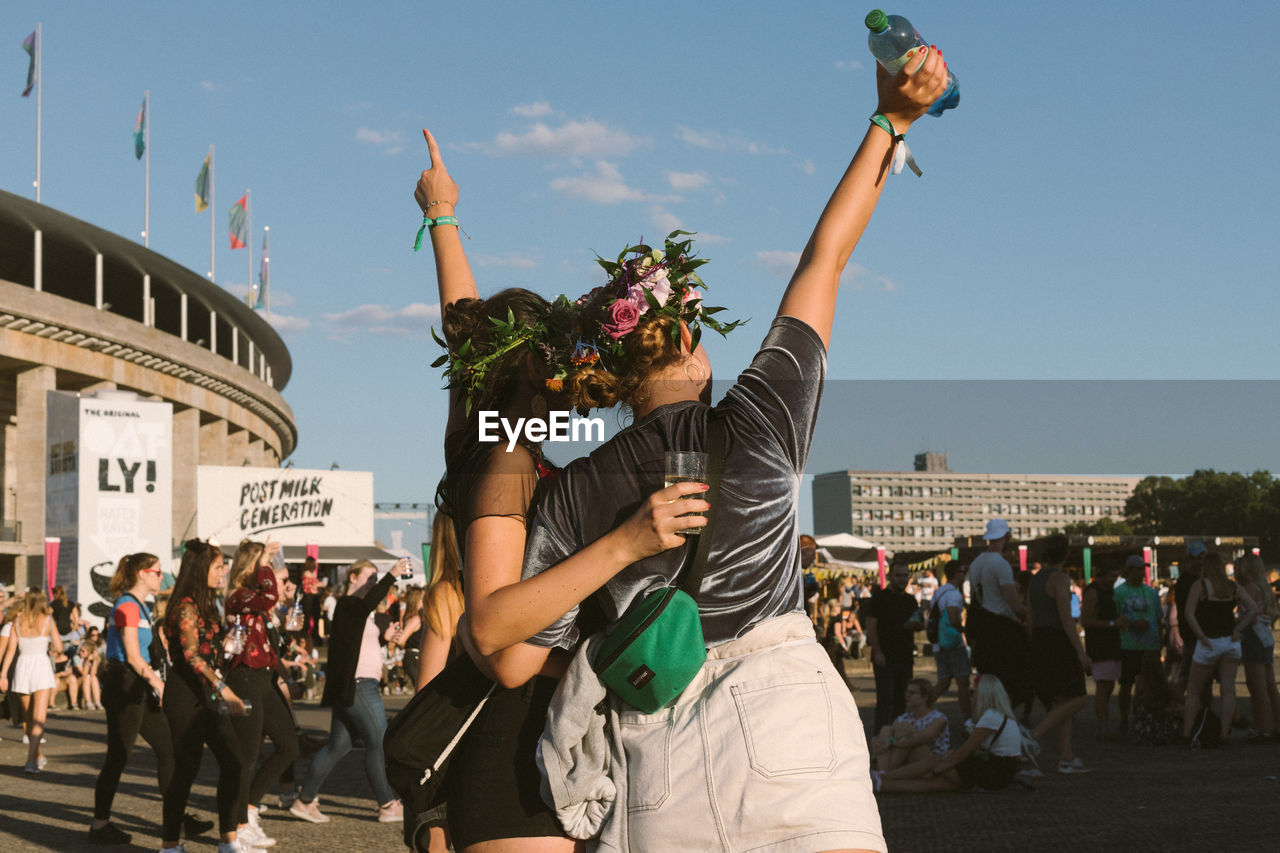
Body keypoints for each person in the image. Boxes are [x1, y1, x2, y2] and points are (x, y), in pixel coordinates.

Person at [485, 51, 950, 852]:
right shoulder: (763, 415)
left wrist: (622, 563)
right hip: (793, 731)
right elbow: (824, 260)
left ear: (622, 382)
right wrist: (890, 121)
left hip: (662, 764)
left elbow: (514, 662)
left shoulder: (574, 492)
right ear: (696, 351)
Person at [415, 128, 597, 853]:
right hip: (513, 747)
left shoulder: (483, 441)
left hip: (528, 744)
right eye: (553, 359)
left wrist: (444, 217)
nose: (569, 374)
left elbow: (468, 345)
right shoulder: (507, 459)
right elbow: (509, 652)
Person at [91, 552, 214, 846]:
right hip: (125, 685)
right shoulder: (126, 607)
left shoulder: (141, 607)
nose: (162, 577)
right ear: (142, 574)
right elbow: (132, 656)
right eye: (158, 572)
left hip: (139, 685)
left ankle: (177, 818)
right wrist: (157, 682)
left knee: (169, 748)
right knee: (118, 755)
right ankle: (99, 825)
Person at [290, 559, 406, 825]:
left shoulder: (361, 612)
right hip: (359, 685)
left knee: (338, 746)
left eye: (376, 579)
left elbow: (355, 643)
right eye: (370, 577)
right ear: (352, 577)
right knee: (378, 742)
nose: (374, 582)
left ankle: (304, 801)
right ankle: (388, 804)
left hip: (359, 684)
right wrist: (392, 575)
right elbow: (363, 606)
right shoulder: (348, 604)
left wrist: (383, 637)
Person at [160, 540, 253, 853]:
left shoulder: (207, 604)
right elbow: (190, 656)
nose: (223, 572)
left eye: (223, 567)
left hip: (206, 694)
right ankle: (170, 845)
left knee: (234, 762)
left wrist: (224, 645)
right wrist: (225, 690)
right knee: (185, 771)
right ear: (201, 570)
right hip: (186, 695)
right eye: (217, 567)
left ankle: (228, 841)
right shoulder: (185, 605)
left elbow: (204, 651)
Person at [224, 539, 287, 850]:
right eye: (261, 564)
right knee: (247, 757)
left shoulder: (254, 598)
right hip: (245, 676)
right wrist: (265, 563)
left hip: (264, 676)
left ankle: (249, 807)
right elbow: (270, 596)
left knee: (288, 745)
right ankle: (239, 823)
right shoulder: (239, 596)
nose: (267, 569)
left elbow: (272, 600)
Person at [873, 674, 1025, 793]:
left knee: (935, 763)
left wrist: (936, 768)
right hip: (1001, 772)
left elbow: (964, 752)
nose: (972, 696)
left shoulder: (991, 717)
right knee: (934, 785)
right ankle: (882, 786)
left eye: (973, 692)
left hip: (993, 771)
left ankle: (882, 777)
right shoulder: (998, 715)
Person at [1026, 535, 1092, 774]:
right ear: (1066, 555)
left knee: (1061, 701)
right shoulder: (1060, 579)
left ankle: (1066, 756)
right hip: (1058, 641)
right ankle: (1032, 736)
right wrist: (1080, 652)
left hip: (1041, 640)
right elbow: (1066, 618)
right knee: (1078, 698)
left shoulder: (1035, 581)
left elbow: (1030, 616)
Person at [1181, 551, 1258, 746]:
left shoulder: (1200, 586)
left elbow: (1188, 614)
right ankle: (1224, 732)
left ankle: (1187, 732)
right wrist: (1239, 628)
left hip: (1209, 640)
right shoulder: (1233, 587)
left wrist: (1201, 636)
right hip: (1230, 641)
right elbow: (1253, 609)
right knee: (1228, 688)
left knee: (1194, 690)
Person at [967, 518, 1030, 708]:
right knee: (1014, 680)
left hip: (982, 624)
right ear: (1006, 537)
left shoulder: (976, 563)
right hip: (1002, 627)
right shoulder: (1000, 564)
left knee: (988, 681)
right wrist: (1029, 616)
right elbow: (1014, 604)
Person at [0, 588, 62, 772]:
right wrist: (49, 644)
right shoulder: (48, 621)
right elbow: (58, 646)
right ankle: (31, 759)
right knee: (38, 718)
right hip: (40, 666)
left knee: (28, 717)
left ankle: (36, 756)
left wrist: (3, 674)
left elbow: (11, 651)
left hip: (22, 667)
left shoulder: (17, 622)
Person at [867, 560, 921, 730]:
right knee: (885, 701)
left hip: (905, 656)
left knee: (902, 701)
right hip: (885, 657)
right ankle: (880, 743)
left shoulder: (911, 600)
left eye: (905, 576)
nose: (901, 579)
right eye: (898, 575)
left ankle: (897, 739)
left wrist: (918, 625)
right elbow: (870, 626)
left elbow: (919, 622)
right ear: (890, 576)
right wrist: (877, 652)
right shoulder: (879, 598)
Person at [1114, 554, 1164, 733]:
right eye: (1137, 568)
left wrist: (1159, 641)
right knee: (1126, 684)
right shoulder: (1120, 593)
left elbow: (1158, 618)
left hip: (1150, 645)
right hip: (1128, 645)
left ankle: (1144, 716)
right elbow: (1116, 618)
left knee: (1149, 684)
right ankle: (1124, 719)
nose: (1141, 572)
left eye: (1143, 568)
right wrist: (1134, 624)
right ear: (1129, 570)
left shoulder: (1151, 592)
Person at [1236, 554, 1279, 740]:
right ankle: (1274, 724)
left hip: (1252, 637)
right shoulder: (1264, 587)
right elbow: (1270, 613)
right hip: (1265, 637)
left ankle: (1264, 727)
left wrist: (1236, 623)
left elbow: (1249, 616)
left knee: (1256, 686)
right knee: (1270, 686)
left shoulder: (1248, 588)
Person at [1079, 557, 1124, 734]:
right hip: (1100, 644)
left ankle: (1104, 722)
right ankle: (1102, 724)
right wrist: (1113, 624)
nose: (1115, 579)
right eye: (1112, 576)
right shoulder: (1093, 592)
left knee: (1109, 685)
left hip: (1112, 643)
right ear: (1102, 575)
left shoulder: (1110, 590)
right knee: (1104, 685)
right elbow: (1087, 620)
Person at [870, 678, 949, 771]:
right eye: (906, 692)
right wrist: (880, 740)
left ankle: (883, 772)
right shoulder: (904, 717)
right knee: (886, 729)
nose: (907, 696)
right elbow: (886, 737)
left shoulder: (938, 718)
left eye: (912, 693)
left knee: (904, 729)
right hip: (907, 759)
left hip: (931, 761)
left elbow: (921, 738)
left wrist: (890, 741)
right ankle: (883, 774)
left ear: (925, 697)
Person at [930, 560, 972, 721]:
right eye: (962, 571)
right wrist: (964, 631)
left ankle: (923, 710)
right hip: (953, 644)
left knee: (943, 681)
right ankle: (968, 719)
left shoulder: (939, 591)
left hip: (938, 644)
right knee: (963, 682)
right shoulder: (954, 594)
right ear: (956, 573)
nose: (963, 574)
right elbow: (954, 617)